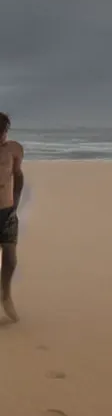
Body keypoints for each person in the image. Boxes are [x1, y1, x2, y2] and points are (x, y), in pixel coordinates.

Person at [0, 112, 24, 324]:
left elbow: (18, 176)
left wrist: (15, 202)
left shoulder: (14, 149)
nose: (1, 136)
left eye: (3, 132)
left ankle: (6, 296)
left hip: (7, 211)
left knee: (10, 259)